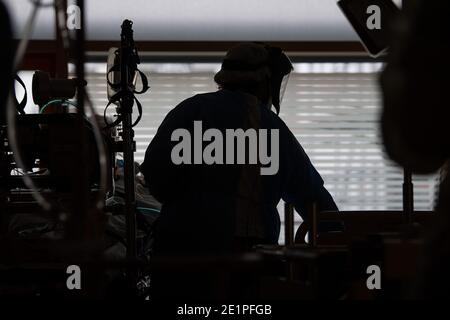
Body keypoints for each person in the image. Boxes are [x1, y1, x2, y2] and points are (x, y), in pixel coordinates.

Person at [141, 43, 338, 257]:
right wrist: (341, 247)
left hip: (179, 259)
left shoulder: (189, 111)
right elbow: (317, 204)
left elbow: (154, 174)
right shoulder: (271, 128)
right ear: (264, 82)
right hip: (244, 264)